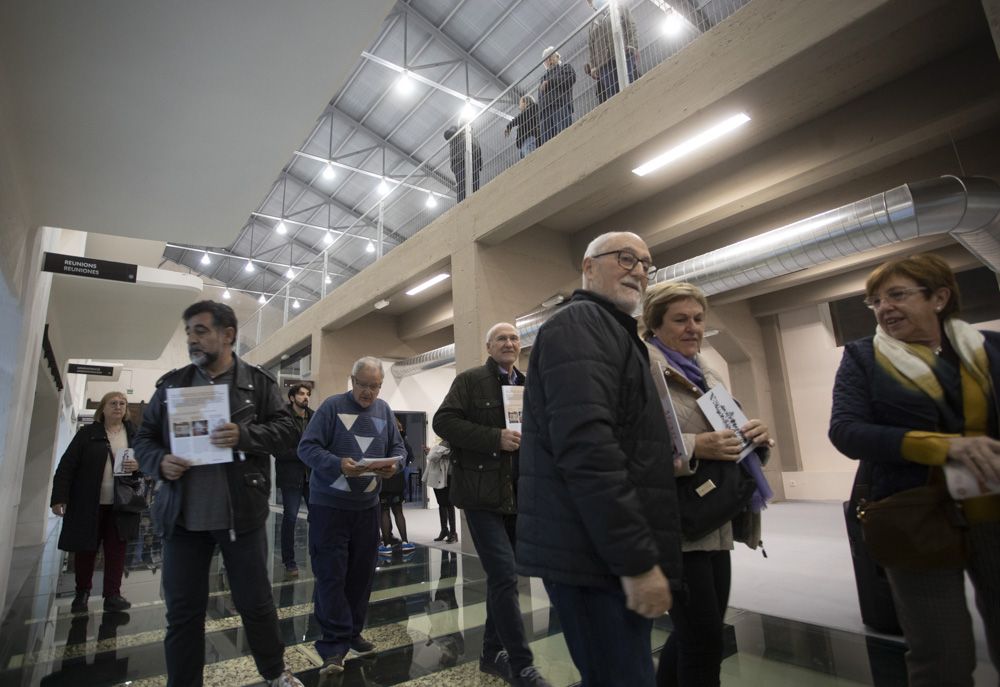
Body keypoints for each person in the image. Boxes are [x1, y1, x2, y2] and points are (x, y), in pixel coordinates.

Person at [518, 231, 681, 687]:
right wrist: (635, 560)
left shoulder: (614, 332)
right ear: (588, 267)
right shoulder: (579, 326)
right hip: (592, 557)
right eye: (626, 258)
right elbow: (589, 451)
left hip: (603, 551)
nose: (639, 270)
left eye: (647, 263)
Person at [829, 253, 1000, 687]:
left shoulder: (988, 350)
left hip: (994, 511)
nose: (884, 307)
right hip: (916, 515)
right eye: (876, 300)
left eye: (897, 295)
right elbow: (846, 432)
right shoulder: (863, 357)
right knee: (941, 656)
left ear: (939, 297)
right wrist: (940, 447)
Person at [133, 300, 303, 687]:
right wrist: (159, 461)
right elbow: (144, 437)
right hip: (182, 518)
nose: (192, 338)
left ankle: (275, 674)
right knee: (182, 613)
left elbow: (287, 433)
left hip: (239, 514)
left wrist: (244, 435)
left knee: (256, 604)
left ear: (228, 335)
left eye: (201, 330)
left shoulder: (257, 384)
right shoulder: (173, 384)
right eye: (189, 331)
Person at [641, 281, 774, 686]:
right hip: (676, 524)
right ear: (655, 325)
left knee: (696, 634)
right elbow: (630, 448)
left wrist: (755, 439)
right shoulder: (644, 369)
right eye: (680, 320)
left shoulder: (707, 372)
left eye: (698, 319)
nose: (693, 328)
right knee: (704, 641)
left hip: (714, 521)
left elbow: (730, 432)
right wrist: (697, 445)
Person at [434, 322, 552, 687]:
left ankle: (490, 651)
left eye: (515, 338)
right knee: (503, 574)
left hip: (520, 494)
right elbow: (443, 421)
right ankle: (521, 664)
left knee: (507, 577)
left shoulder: (530, 384)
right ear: (488, 346)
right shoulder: (470, 381)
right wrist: (493, 438)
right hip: (481, 494)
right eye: (501, 337)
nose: (509, 342)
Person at [298, 357, 406, 677]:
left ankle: (352, 632)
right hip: (329, 507)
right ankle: (332, 645)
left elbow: (400, 450)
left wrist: (395, 465)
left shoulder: (384, 411)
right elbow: (306, 448)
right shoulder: (331, 408)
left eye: (375, 387)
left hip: (367, 508)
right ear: (352, 380)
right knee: (331, 575)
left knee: (360, 576)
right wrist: (337, 464)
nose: (369, 393)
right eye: (363, 385)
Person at [51, 391, 141, 614]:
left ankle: (112, 594)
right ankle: (82, 593)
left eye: (122, 403)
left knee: (116, 550)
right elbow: (67, 466)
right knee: (85, 549)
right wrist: (59, 497)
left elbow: (148, 462)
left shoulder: (133, 435)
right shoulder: (87, 434)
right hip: (87, 502)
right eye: (113, 403)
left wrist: (139, 465)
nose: (118, 407)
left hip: (121, 504)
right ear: (103, 408)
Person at [275, 383, 314, 578]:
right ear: (292, 398)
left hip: (312, 475)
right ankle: (289, 561)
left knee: (317, 515)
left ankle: (316, 554)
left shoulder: (314, 417)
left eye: (307, 394)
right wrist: (303, 454)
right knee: (290, 518)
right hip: (291, 475)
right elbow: (278, 449)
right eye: (301, 394)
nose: (305, 397)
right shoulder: (282, 417)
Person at [584, 0, 639, 103]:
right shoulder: (592, 24)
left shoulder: (620, 7)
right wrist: (593, 66)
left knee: (629, 83)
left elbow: (631, 25)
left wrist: (632, 45)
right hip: (604, 64)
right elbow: (591, 48)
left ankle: (634, 106)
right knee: (612, 93)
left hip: (624, 52)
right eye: (590, 2)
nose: (593, 3)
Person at [378, 416, 415, 555]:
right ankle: (405, 542)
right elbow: (408, 456)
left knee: (384, 511)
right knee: (398, 511)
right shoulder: (401, 440)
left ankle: (386, 545)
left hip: (383, 477)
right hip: (397, 478)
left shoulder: (380, 437)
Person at [537, 47, 576, 145]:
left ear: (557, 57)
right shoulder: (542, 78)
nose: (548, 60)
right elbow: (540, 98)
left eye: (550, 57)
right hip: (545, 113)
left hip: (560, 106)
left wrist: (550, 82)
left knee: (565, 137)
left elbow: (571, 78)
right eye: (546, 59)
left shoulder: (565, 67)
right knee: (547, 144)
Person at [425, 441, 457, 542]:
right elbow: (433, 457)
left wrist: (435, 454)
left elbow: (452, 456)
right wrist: (430, 452)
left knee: (449, 503)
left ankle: (453, 533)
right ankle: (444, 530)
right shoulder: (442, 442)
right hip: (437, 475)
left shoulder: (453, 441)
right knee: (441, 503)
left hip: (449, 475)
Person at [444, 126, 482, 202]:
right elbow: (447, 134)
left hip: (473, 162)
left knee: (475, 184)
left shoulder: (473, 138)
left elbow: (478, 151)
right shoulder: (456, 130)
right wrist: (460, 131)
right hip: (459, 160)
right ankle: (462, 203)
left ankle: (475, 201)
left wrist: (479, 164)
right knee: (462, 184)